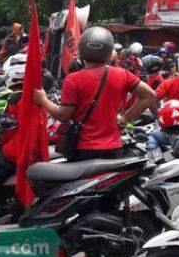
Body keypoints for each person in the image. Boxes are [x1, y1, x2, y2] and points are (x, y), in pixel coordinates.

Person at [33, 26, 156, 161]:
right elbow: (150, 96)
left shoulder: (73, 79)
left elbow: (63, 116)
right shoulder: (122, 74)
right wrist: (125, 118)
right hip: (113, 148)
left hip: (83, 150)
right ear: (110, 53)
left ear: (81, 50)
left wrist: (43, 100)